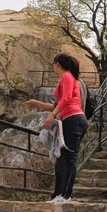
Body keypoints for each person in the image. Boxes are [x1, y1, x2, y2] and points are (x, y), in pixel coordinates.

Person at [25, 53, 88, 203]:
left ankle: (66, 195)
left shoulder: (67, 76)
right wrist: (36, 104)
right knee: (63, 157)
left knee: (70, 158)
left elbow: (66, 99)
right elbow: (58, 104)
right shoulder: (68, 78)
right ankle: (59, 194)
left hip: (73, 119)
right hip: (71, 119)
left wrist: (52, 116)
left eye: (53, 64)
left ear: (57, 64)